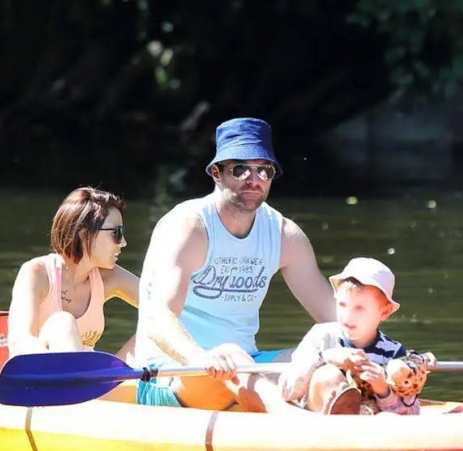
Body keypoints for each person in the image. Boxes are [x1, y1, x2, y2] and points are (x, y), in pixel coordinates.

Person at [131, 117, 336, 411]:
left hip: (246, 366)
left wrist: (397, 358)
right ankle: (293, 424)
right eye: (240, 169)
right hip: (172, 376)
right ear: (217, 173)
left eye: (263, 170)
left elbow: (338, 321)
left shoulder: (284, 234)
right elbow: (158, 319)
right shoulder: (189, 227)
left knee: (328, 355)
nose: (253, 179)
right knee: (232, 354)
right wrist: (201, 360)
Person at [279, 257, 437, 415]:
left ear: (385, 312)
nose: (347, 316)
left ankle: (358, 416)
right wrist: (325, 357)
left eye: (359, 308)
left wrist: (383, 391)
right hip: (318, 419)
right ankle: (341, 410)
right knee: (328, 375)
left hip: (369, 421)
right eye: (342, 304)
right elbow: (287, 390)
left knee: (388, 413)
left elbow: (408, 413)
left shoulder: (394, 354)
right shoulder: (320, 337)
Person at [8, 187, 140, 356]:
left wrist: (116, 369)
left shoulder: (111, 277)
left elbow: (166, 309)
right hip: (39, 374)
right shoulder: (37, 273)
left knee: (160, 323)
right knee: (62, 323)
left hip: (87, 377)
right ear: (84, 234)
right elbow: (19, 342)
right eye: (117, 233)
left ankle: (110, 374)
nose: (123, 243)